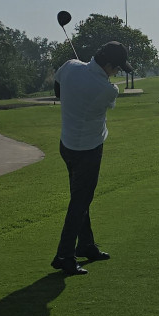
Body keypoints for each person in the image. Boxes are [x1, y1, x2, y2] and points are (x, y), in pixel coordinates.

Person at [51, 40, 128, 275]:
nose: (117, 73)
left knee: (80, 198)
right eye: (117, 68)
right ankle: (65, 256)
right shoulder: (108, 90)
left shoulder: (70, 66)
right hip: (88, 150)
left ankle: (86, 245)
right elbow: (108, 100)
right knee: (80, 202)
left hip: (67, 145)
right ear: (108, 65)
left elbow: (57, 87)